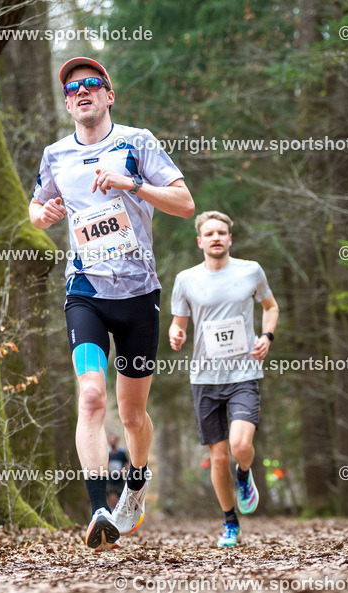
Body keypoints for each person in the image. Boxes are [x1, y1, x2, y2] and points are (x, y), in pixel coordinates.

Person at [29, 57, 195, 550]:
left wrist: (132, 184)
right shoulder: (55, 154)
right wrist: (45, 213)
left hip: (139, 295)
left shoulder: (137, 141)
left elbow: (184, 204)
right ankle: (99, 506)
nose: (82, 92)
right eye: (73, 88)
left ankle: (137, 481)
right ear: (66, 103)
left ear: (108, 95)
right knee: (91, 396)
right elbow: (35, 208)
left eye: (91, 85)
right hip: (86, 292)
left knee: (132, 415)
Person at [169, 211, 279, 547]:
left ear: (230, 239)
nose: (216, 238)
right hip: (204, 378)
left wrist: (267, 336)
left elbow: (271, 307)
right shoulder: (186, 279)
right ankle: (230, 522)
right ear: (199, 241)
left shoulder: (251, 271)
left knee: (240, 446)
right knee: (218, 457)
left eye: (222, 233)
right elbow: (178, 323)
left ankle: (244, 475)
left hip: (244, 373)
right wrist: (176, 334)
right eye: (209, 233)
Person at [105, 435, 130, 510]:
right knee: (109, 495)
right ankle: (110, 511)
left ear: (116, 442)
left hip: (119, 479)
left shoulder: (122, 453)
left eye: (114, 441)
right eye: (111, 441)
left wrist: (124, 471)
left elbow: (126, 464)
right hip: (109, 479)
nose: (112, 443)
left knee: (120, 497)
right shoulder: (107, 453)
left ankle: (118, 511)